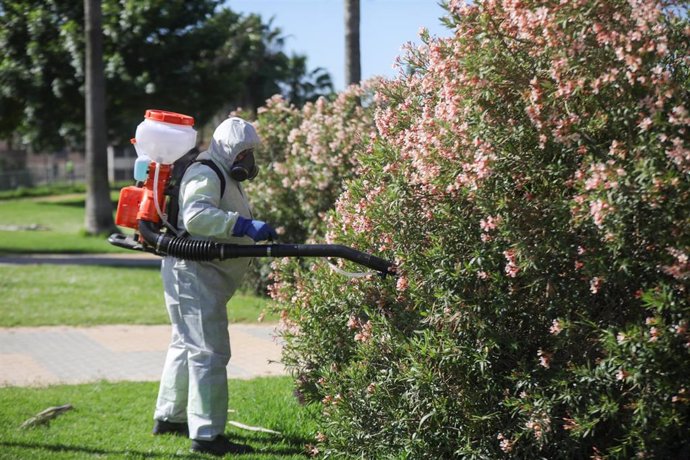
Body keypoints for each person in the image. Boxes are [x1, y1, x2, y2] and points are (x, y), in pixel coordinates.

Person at [152, 117, 277, 456]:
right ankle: (207, 436)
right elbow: (195, 218)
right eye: (244, 152)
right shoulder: (206, 172)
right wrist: (242, 225)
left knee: (185, 344)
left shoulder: (221, 171)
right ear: (229, 149)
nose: (248, 161)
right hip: (194, 275)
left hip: (197, 276)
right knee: (209, 353)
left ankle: (169, 416)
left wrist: (246, 227)